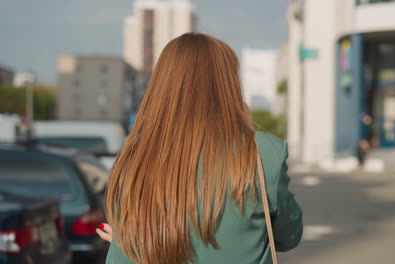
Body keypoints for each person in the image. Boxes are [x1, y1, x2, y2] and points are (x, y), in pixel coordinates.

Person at [97, 33, 303, 264]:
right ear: (227, 85)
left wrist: (128, 243)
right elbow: (289, 235)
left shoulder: (135, 159)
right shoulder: (262, 152)